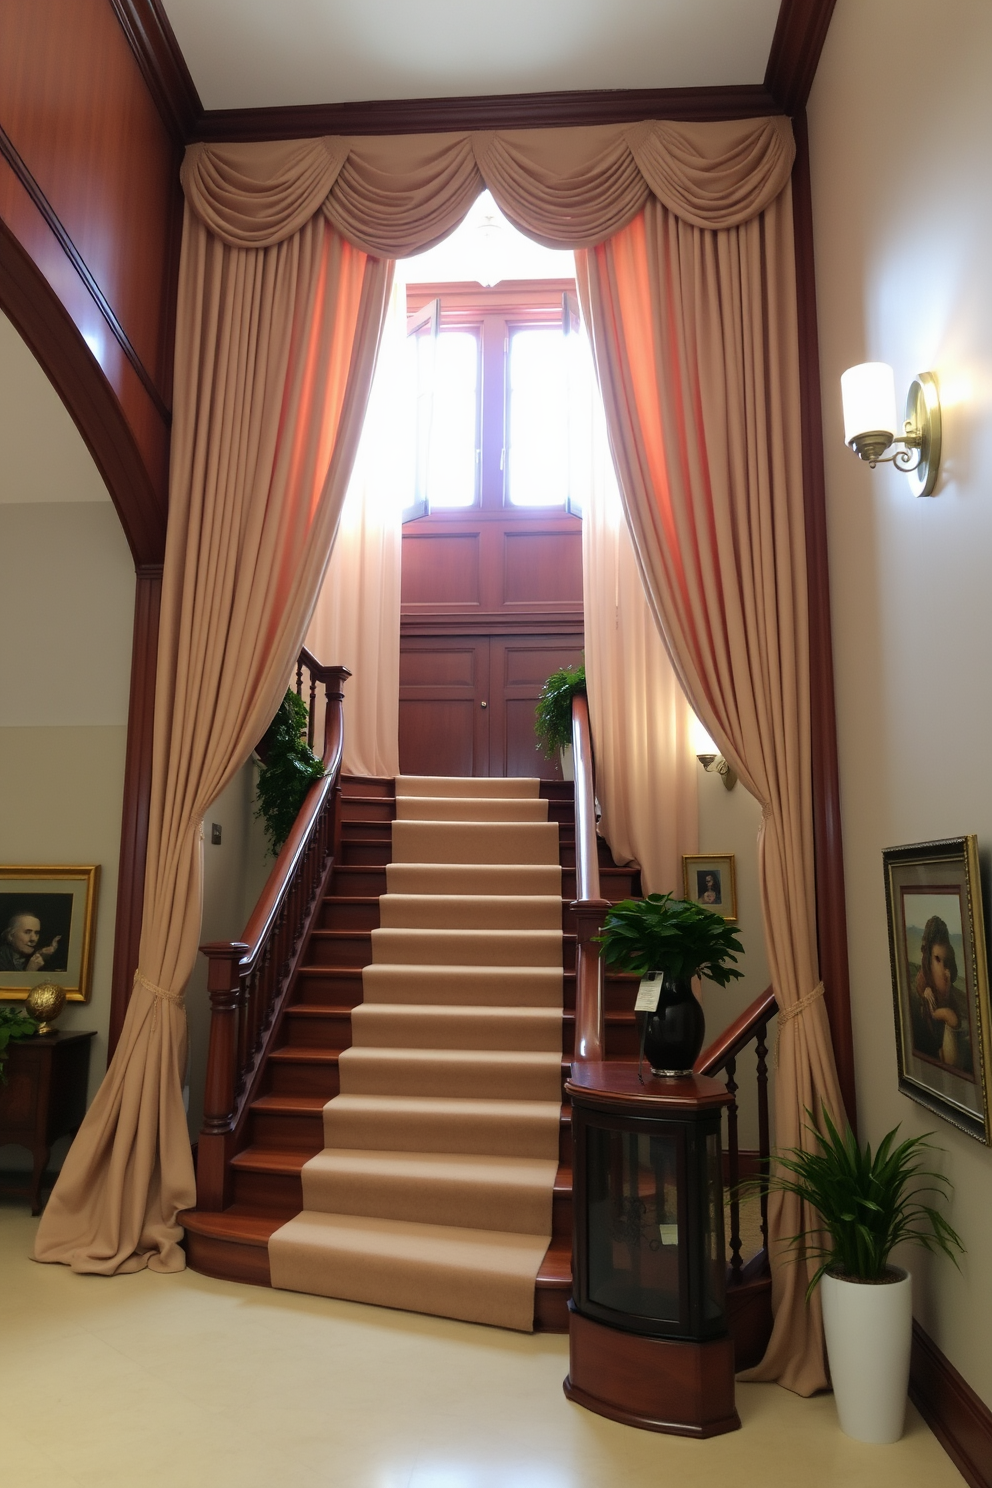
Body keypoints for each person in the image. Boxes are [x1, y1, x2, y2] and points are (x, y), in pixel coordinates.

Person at [910, 915, 968, 1070]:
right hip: (935, 1013)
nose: (943, 967)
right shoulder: (924, 975)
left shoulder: (947, 952)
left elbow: (953, 972)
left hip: (947, 1002)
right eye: (937, 959)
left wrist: (949, 979)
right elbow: (920, 982)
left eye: (945, 961)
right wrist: (925, 991)